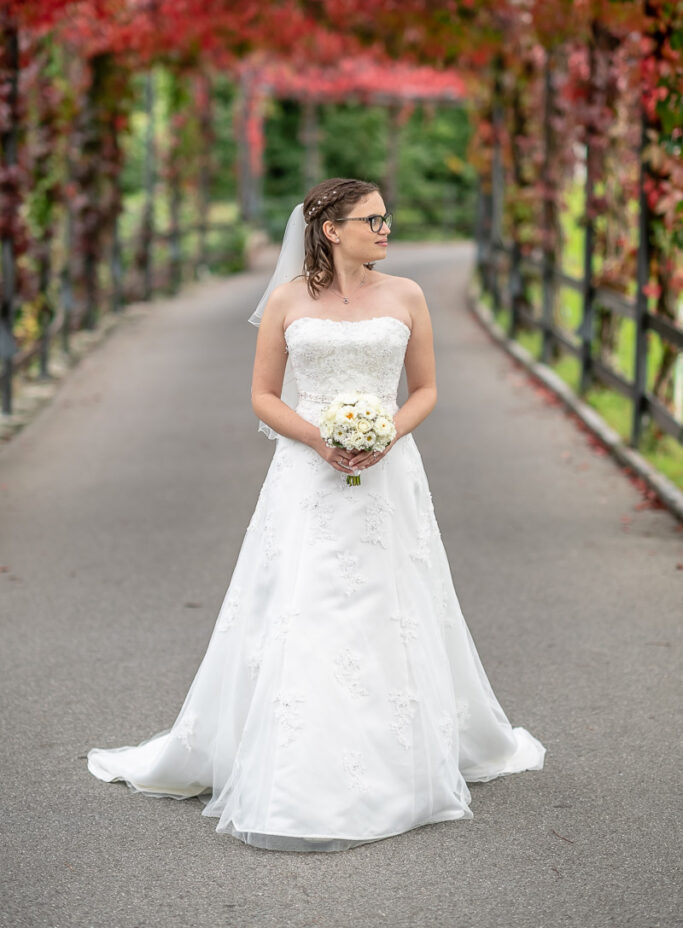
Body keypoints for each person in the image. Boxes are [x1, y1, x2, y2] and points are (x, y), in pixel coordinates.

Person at [87, 176, 546, 851]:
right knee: (303, 603)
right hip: (306, 474)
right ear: (331, 230)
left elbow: (424, 389)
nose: (385, 230)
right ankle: (297, 762)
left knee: (392, 602)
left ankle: (399, 748)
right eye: (372, 220)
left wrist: (385, 435)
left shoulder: (407, 295)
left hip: (390, 474)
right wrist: (319, 440)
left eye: (386, 218)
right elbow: (263, 395)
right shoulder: (286, 299)